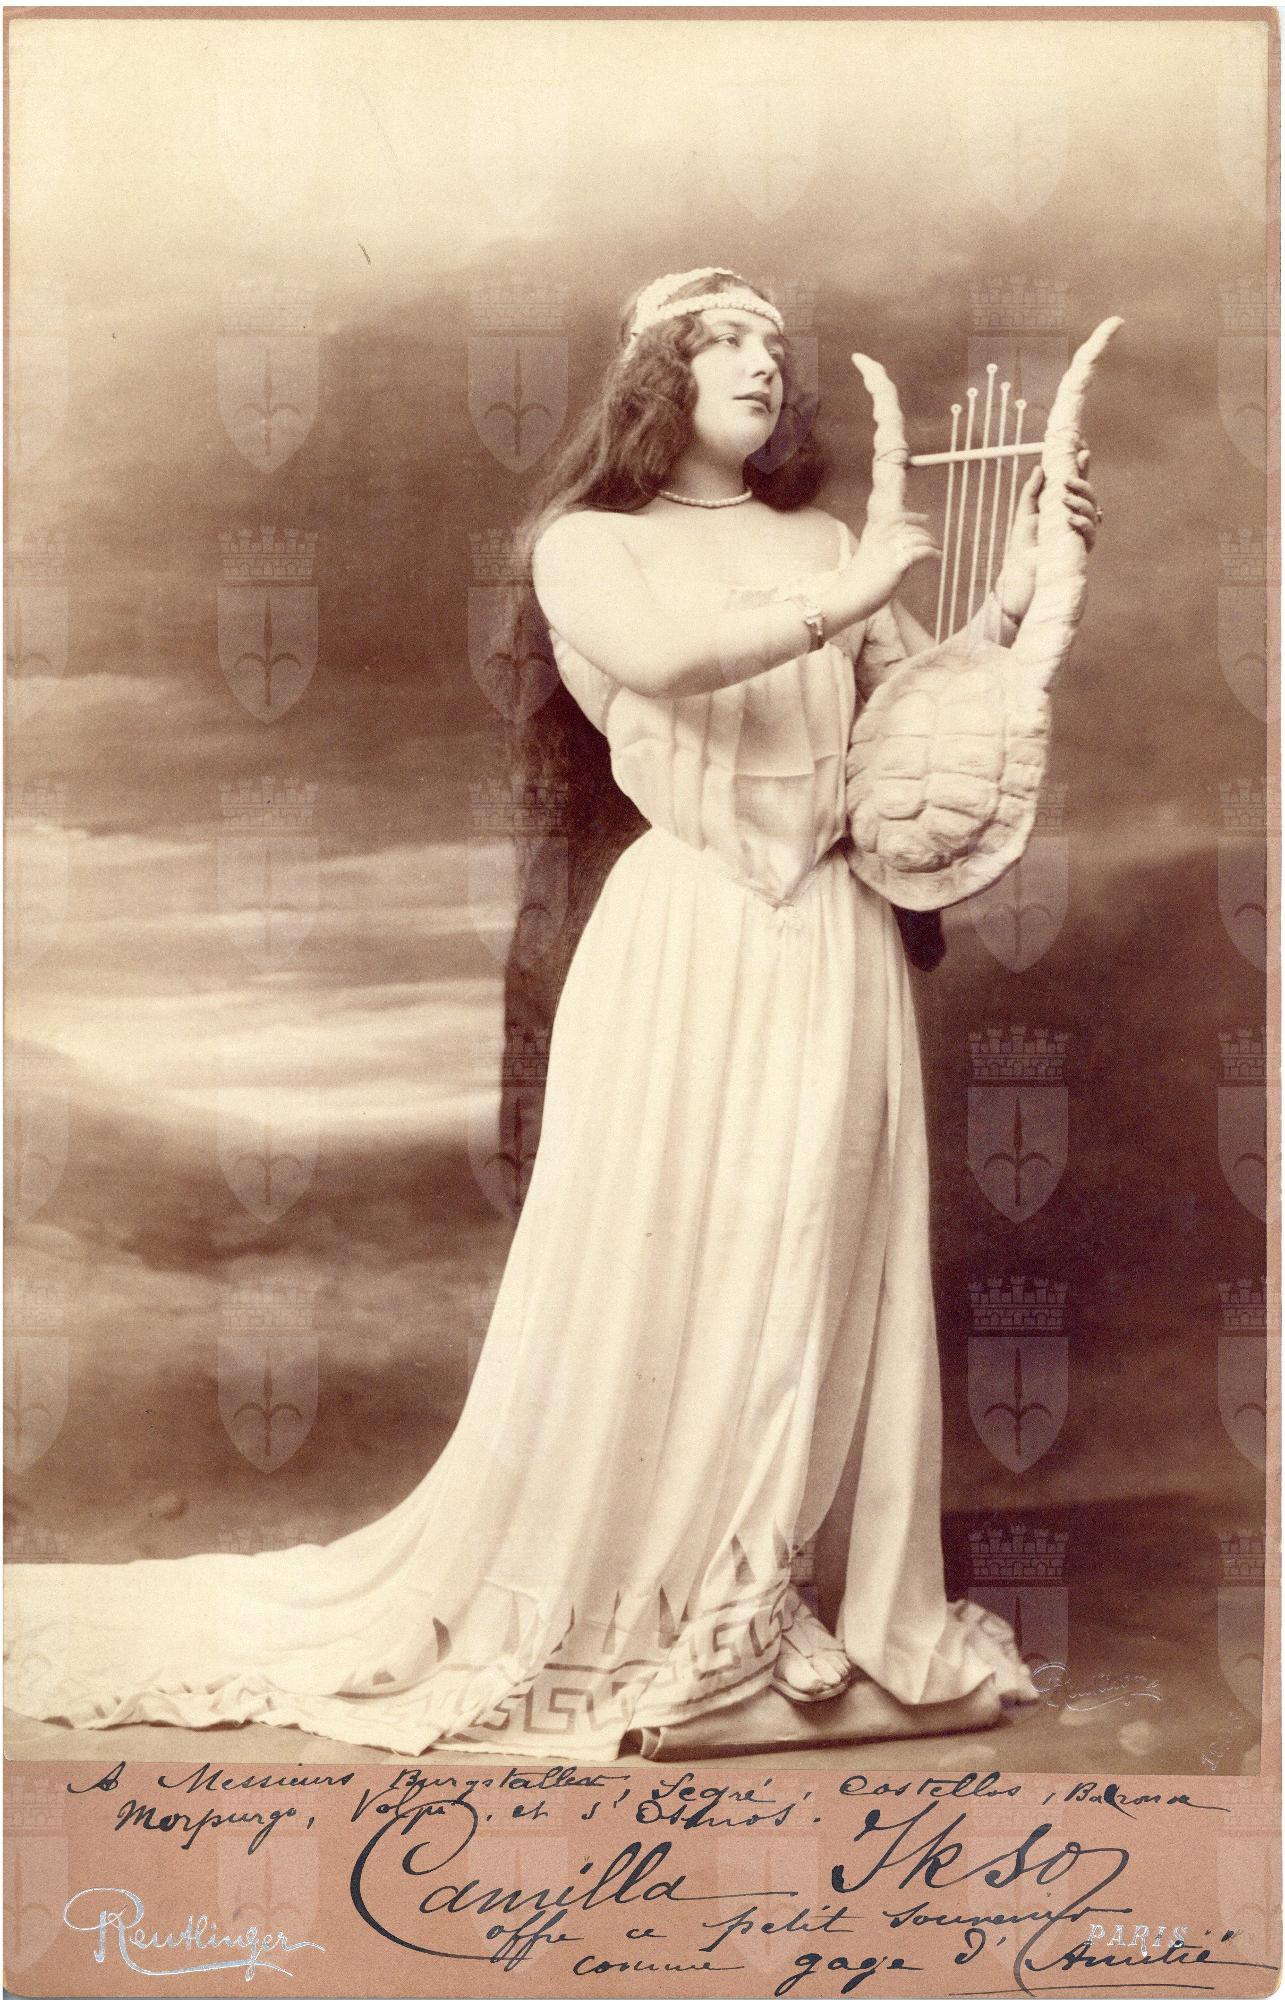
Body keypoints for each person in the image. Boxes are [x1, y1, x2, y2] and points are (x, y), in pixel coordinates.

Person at [4, 266, 1100, 1761]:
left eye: (772, 346)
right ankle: (671, 1608)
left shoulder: (823, 539)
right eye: (722, 343)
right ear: (657, 377)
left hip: (829, 936)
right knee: (675, 1247)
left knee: (813, 1245)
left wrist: (1027, 584)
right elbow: (663, 663)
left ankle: (770, 1597)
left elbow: (922, 704)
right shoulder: (587, 547)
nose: (761, 365)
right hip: (687, 938)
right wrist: (851, 595)